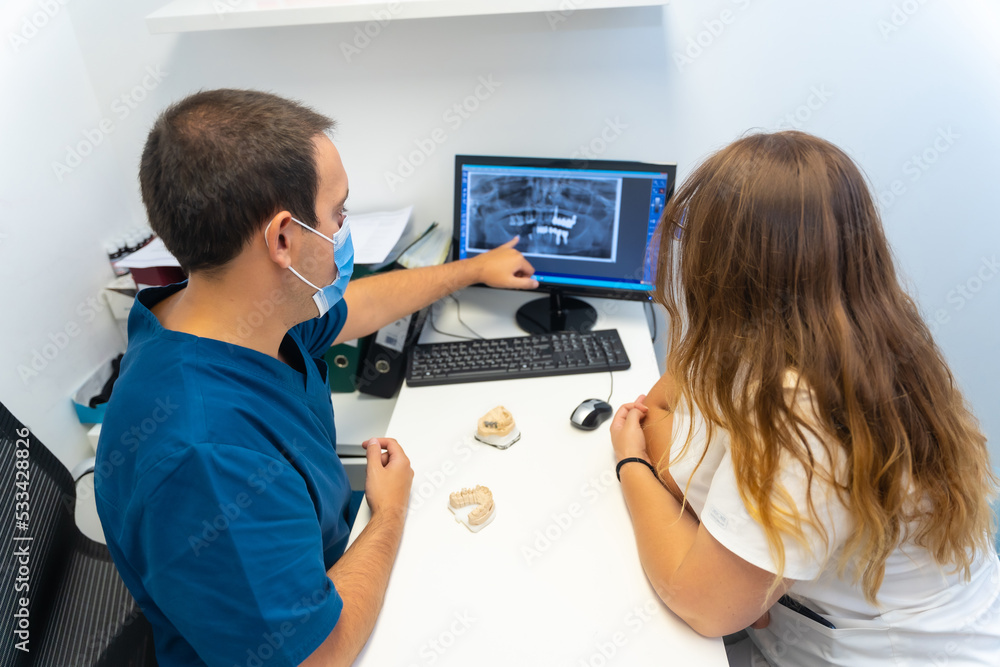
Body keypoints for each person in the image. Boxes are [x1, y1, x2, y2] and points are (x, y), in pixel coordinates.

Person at [94, 88, 538, 667]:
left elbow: (362, 305)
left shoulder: (233, 314)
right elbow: (317, 655)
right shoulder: (207, 457)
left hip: (323, 558)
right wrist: (389, 512)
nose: (345, 229)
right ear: (283, 238)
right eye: (339, 214)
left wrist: (472, 269)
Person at [609, 130, 1000, 665]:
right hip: (803, 622)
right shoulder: (832, 325)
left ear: (730, 265)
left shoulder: (806, 404)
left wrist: (631, 463)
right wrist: (725, 555)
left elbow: (705, 604)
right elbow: (659, 410)